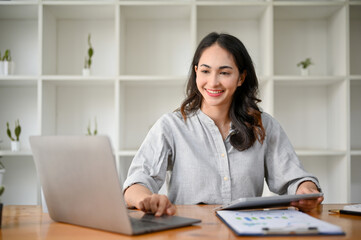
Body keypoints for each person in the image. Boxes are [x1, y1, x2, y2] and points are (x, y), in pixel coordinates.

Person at [123, 32, 323, 217]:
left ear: (241, 78)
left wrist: (306, 189)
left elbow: (295, 179)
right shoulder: (171, 126)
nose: (213, 82)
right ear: (196, 72)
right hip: (189, 234)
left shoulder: (264, 126)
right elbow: (135, 183)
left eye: (224, 73)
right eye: (205, 71)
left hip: (245, 232)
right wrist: (147, 199)